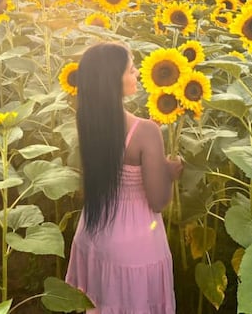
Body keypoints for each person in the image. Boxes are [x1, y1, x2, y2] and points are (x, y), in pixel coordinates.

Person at [66, 42, 184, 313]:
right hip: (135, 247)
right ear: (112, 81)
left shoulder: (87, 120)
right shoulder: (145, 131)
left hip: (93, 233)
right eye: (131, 70)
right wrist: (170, 172)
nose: (137, 74)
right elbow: (158, 201)